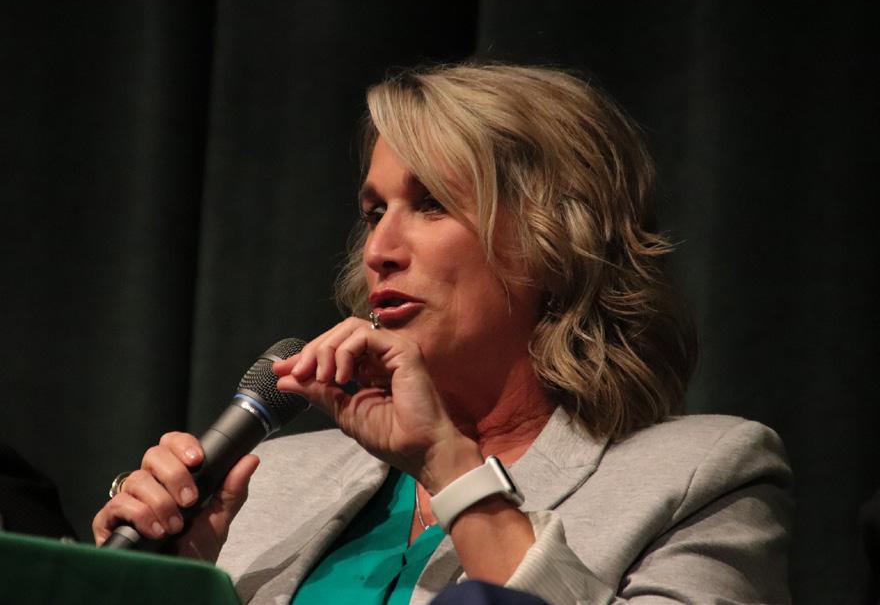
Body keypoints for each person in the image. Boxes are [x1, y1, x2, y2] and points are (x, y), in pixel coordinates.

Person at [92, 63, 793, 604]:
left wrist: (452, 469)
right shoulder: (270, 481)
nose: (379, 250)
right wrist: (176, 582)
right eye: (374, 213)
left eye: (431, 204)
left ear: (556, 241)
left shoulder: (702, 476)